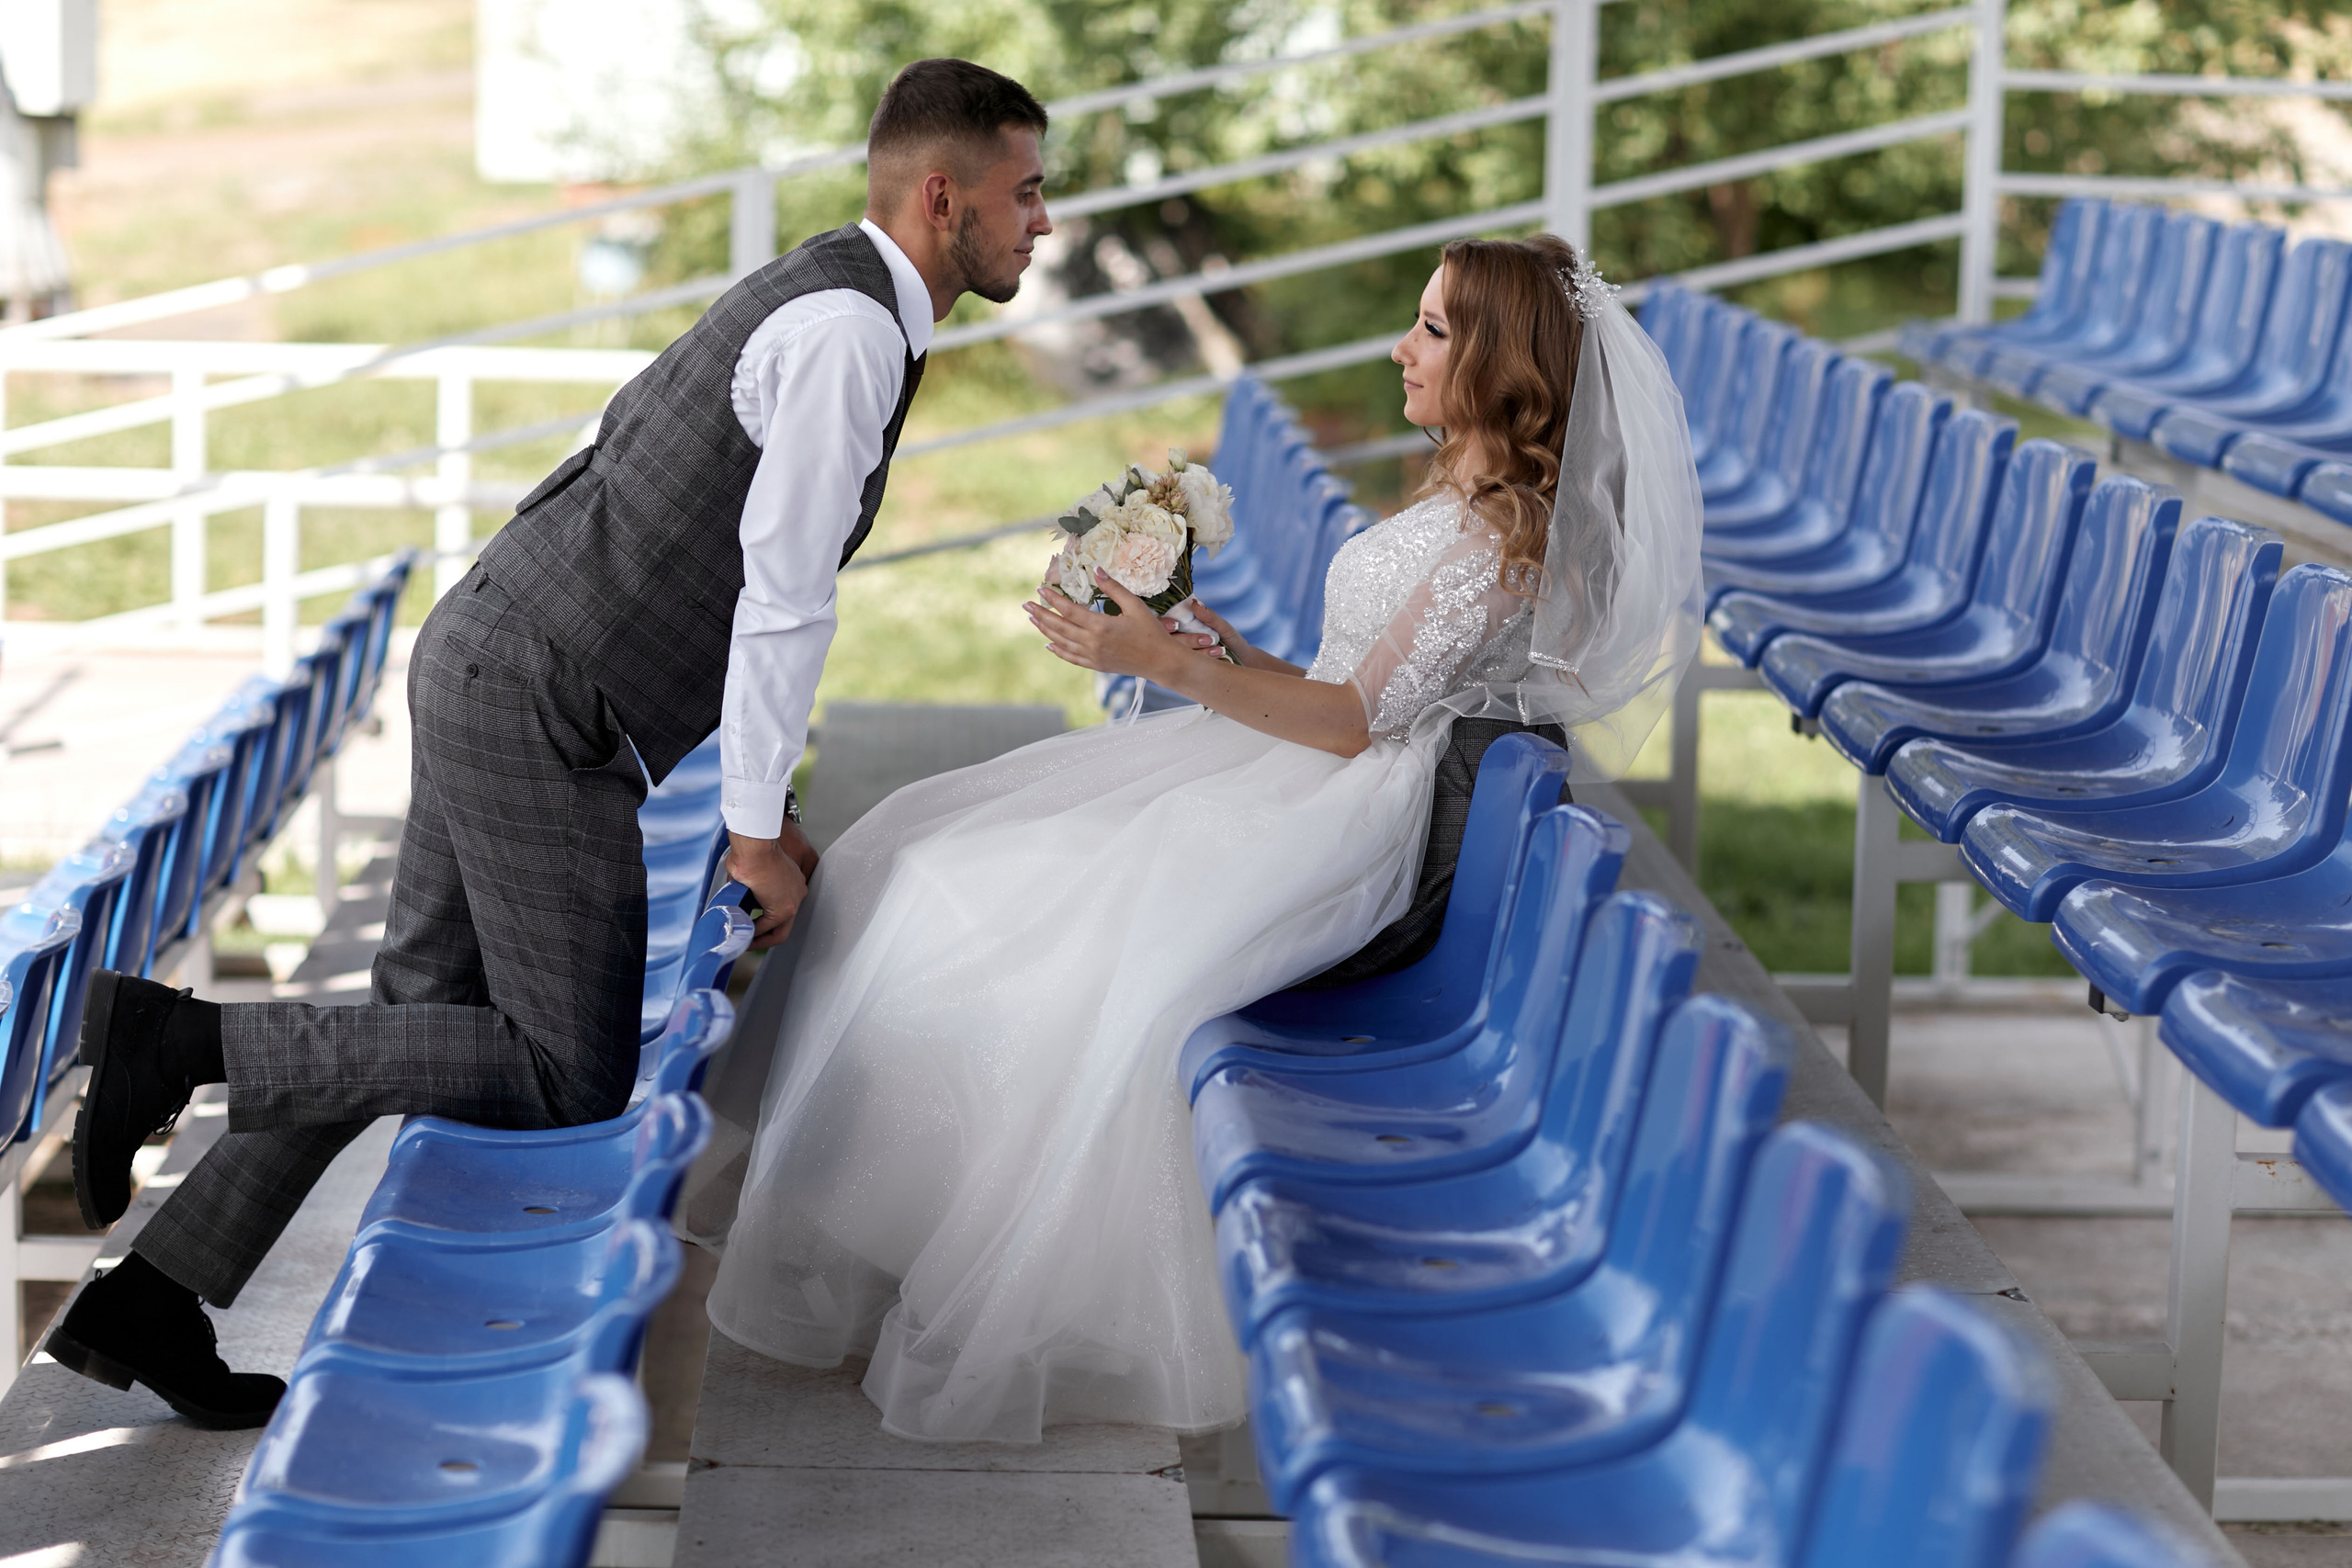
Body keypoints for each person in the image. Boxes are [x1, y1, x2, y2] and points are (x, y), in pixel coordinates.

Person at [47, 57, 1054, 1430]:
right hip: (536, 699)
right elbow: (781, 597)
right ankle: (186, 1041)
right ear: (946, 198)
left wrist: (763, 806)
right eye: (1028, 191)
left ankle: (155, 1296)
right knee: (563, 1071)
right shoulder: (847, 335)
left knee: (419, 1018)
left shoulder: (828, 294)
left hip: (497, 656)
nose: (1042, 223)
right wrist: (751, 825)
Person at [696, 232, 1703, 1442]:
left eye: (1433, 329)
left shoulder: (1495, 538)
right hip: (1318, 768)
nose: (1403, 346)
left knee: (1014, 915)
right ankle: (898, 1228)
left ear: (1501, 361)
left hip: (1344, 820)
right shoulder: (1462, 498)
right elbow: (1357, 688)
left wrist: (1151, 662)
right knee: (920, 855)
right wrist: (1205, 648)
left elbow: (1349, 726)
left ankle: (940, 1247)